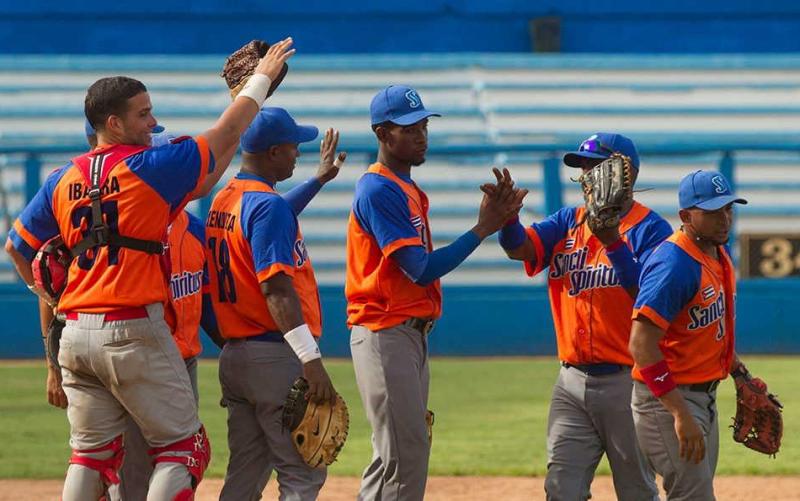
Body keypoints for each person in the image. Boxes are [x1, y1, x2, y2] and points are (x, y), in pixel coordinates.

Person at [6, 38, 295, 500]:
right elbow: (222, 138)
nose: (154, 122)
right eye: (143, 114)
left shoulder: (64, 177)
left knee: (90, 453)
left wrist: (51, 297)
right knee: (186, 449)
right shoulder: (148, 168)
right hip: (131, 329)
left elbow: (17, 246)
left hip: (76, 334)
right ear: (114, 123)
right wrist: (258, 84)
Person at [346, 84, 524, 501]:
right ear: (382, 134)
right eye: (409, 128)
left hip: (405, 334)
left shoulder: (404, 188)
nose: (421, 134)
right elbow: (420, 270)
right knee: (405, 457)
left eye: (423, 125)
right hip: (385, 330)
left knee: (394, 455)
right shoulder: (379, 189)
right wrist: (483, 228)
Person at [498, 133, 671, 500]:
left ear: (627, 174)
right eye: (584, 168)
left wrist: (612, 242)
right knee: (561, 489)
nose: (589, 176)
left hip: (629, 382)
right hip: (571, 382)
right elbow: (520, 248)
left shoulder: (652, 229)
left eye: (597, 166)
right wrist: (507, 218)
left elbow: (651, 297)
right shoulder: (568, 221)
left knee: (637, 490)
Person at [206, 106, 346, 500]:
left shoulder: (226, 198)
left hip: (236, 355)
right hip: (274, 353)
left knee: (246, 472)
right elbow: (277, 290)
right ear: (272, 153)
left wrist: (317, 180)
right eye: (292, 147)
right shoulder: (266, 206)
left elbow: (271, 215)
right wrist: (311, 358)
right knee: (302, 472)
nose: (297, 154)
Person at [629, 170, 757, 500]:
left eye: (728, 208)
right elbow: (641, 344)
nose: (724, 219)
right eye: (713, 212)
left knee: (694, 493)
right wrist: (679, 414)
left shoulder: (717, 254)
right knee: (693, 496)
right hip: (667, 401)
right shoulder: (674, 264)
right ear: (686, 216)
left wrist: (740, 374)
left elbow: (711, 334)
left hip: (703, 398)